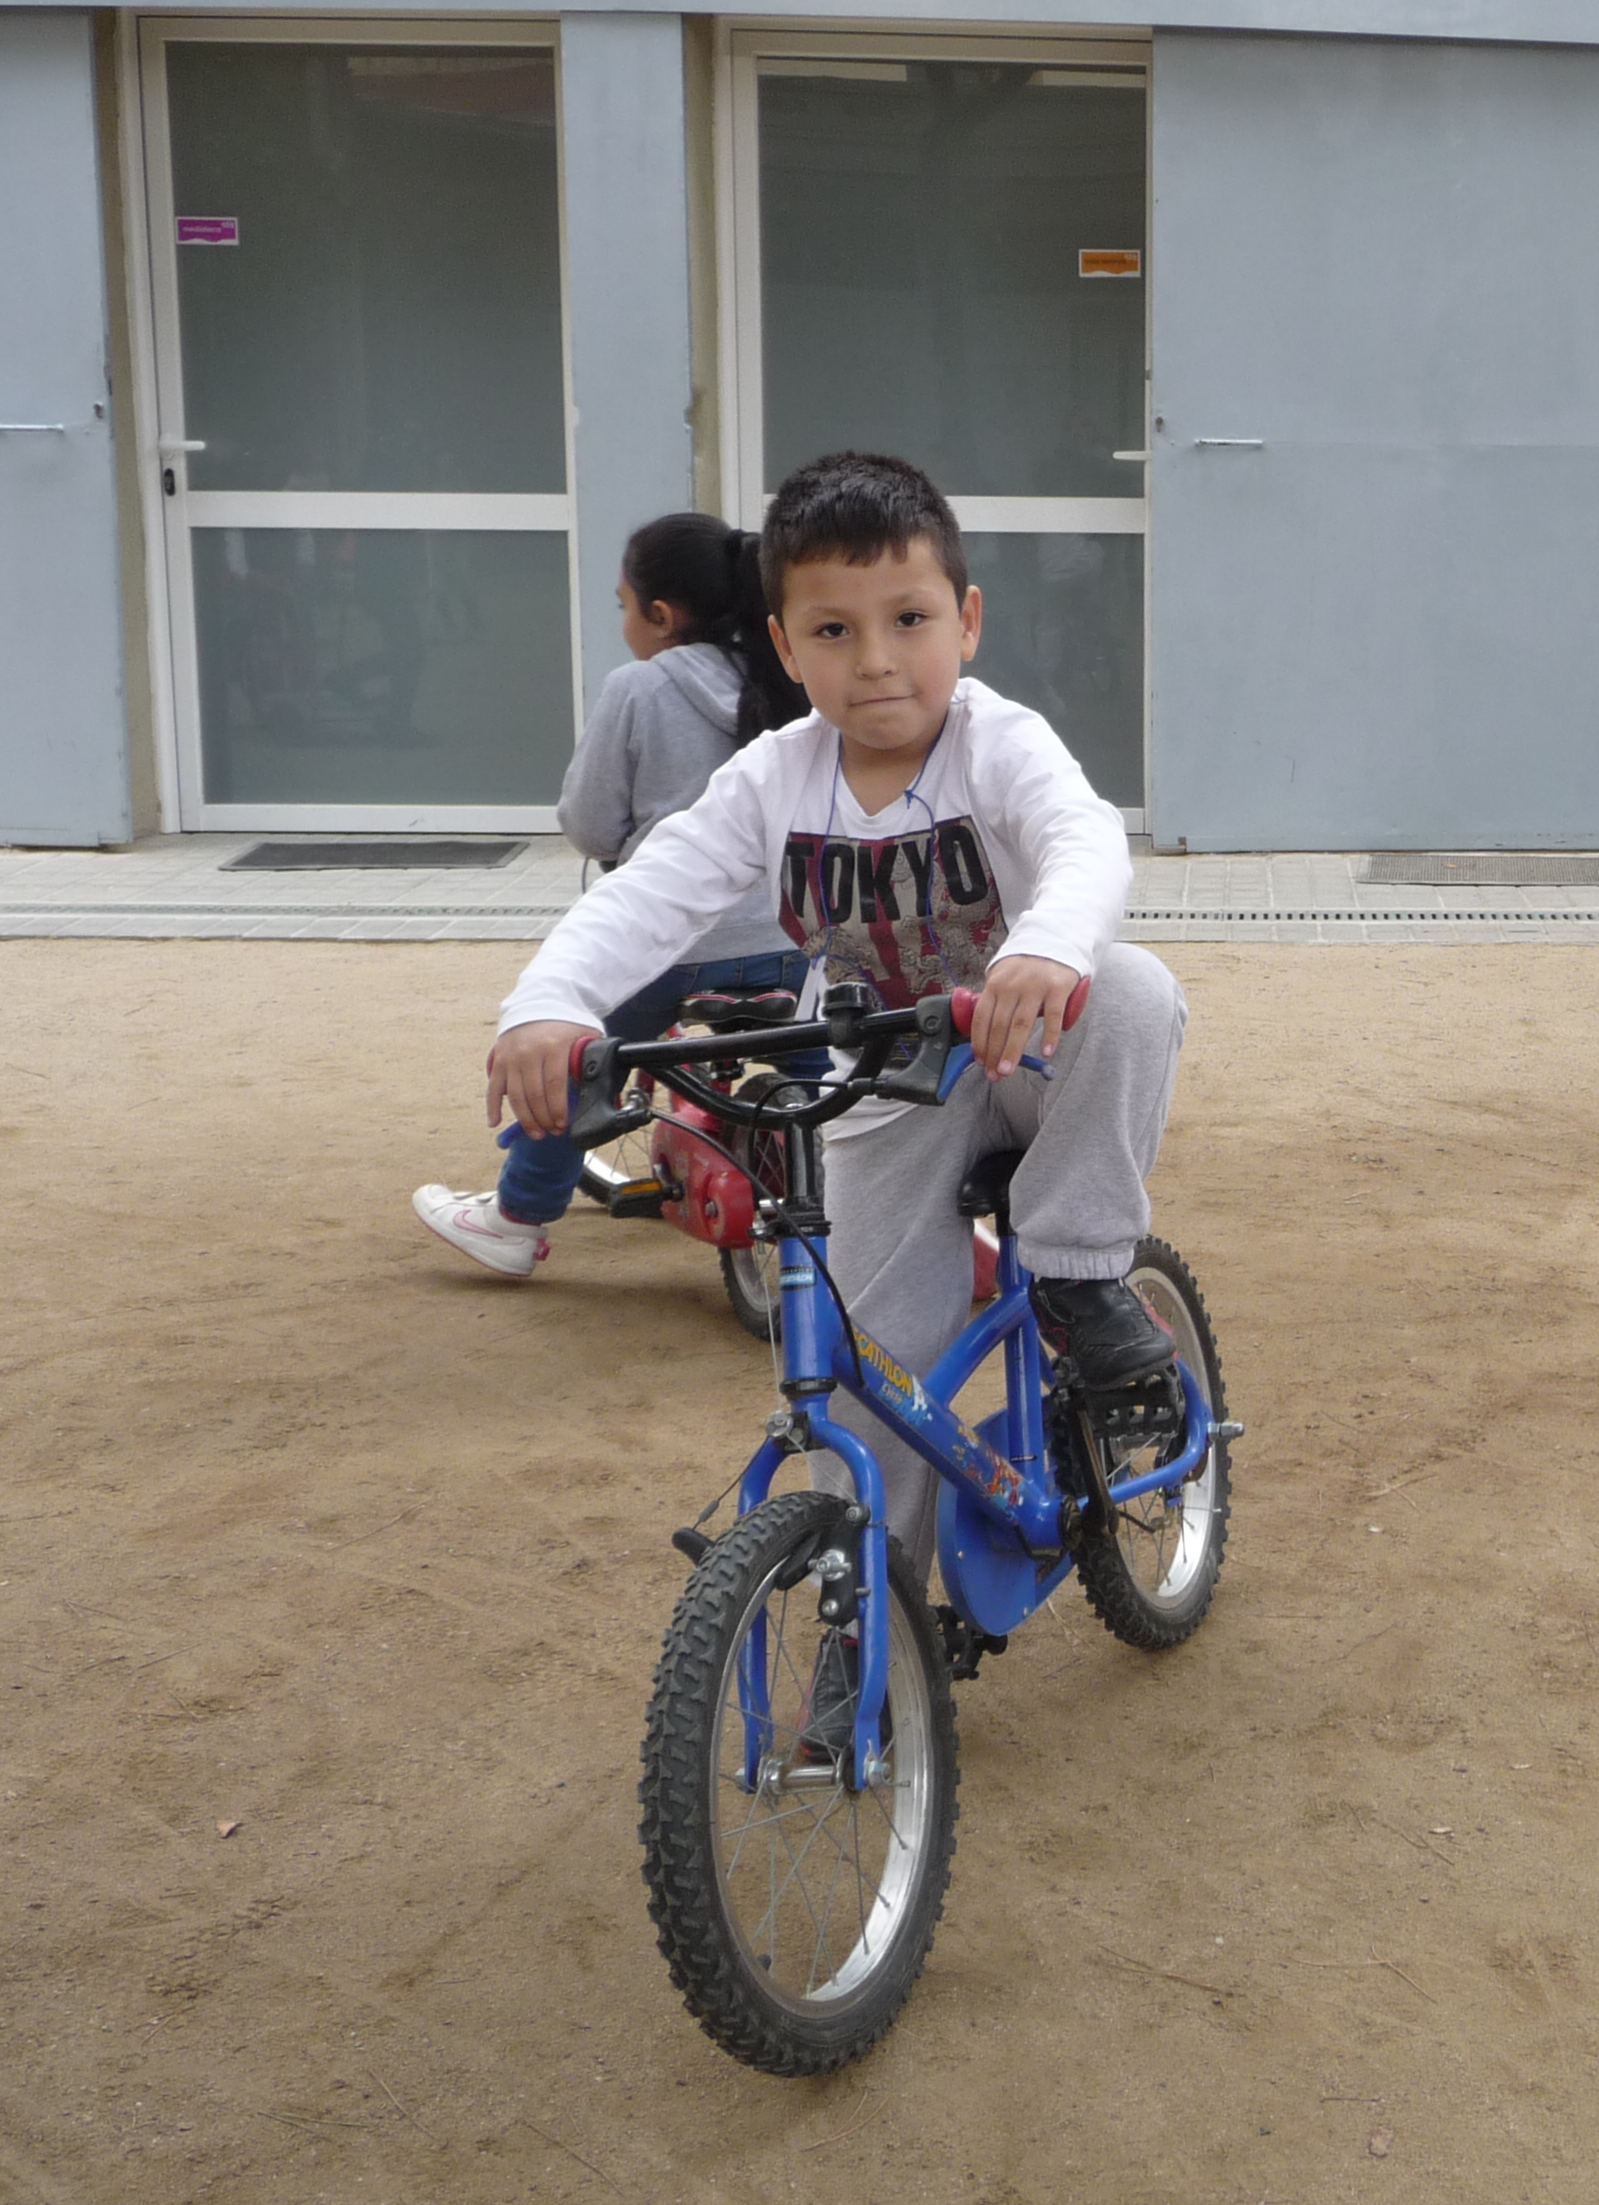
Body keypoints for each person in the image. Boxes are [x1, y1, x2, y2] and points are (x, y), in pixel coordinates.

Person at [480, 452, 1188, 1579]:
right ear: (783, 645)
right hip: (885, 1088)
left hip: (1023, 1051)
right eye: (832, 631)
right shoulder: (775, 777)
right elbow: (647, 893)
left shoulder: (997, 741)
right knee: (870, 1368)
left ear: (966, 621)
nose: (876, 661)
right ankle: (874, 1604)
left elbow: (1082, 836)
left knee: (1135, 987)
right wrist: (549, 1005)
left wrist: (1046, 947)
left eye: (908, 619)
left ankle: (1078, 1271)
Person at [412, 513, 813, 1274]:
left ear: (660, 616)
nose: (623, 622)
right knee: (833, 1072)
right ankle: (888, 1209)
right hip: (794, 946)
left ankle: (518, 1217)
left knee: (581, 1054)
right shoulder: (792, 677)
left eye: (623, 605)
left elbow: (591, 823)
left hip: (671, 949)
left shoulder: (639, 687)